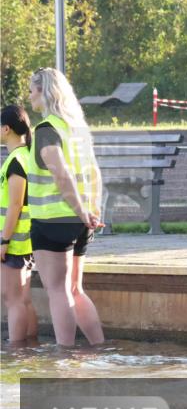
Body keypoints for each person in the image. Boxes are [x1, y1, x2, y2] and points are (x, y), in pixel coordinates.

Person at [25, 68, 105, 347]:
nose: (29, 95)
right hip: (82, 221)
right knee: (74, 288)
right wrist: (91, 210)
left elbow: (61, 174)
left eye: (32, 90)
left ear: (44, 92)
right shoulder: (76, 129)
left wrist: (82, 210)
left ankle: (65, 357)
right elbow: (94, 172)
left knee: (57, 290)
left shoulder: (46, 130)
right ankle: (99, 347)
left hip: (54, 220)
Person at [1, 105, 39, 344]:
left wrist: (4, 240)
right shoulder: (26, 156)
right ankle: (31, 347)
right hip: (24, 240)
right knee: (23, 300)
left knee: (12, 300)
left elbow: (15, 205)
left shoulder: (16, 161)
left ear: (6, 129)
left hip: (14, 242)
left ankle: (17, 355)